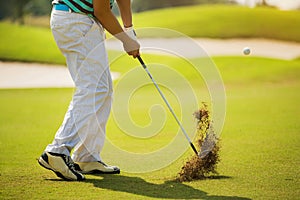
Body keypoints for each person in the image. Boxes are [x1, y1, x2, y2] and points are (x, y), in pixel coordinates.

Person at [38, 0, 140, 181]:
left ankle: (87, 157)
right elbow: (101, 10)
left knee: (104, 90)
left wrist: (129, 29)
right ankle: (58, 150)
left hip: (82, 21)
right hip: (76, 20)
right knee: (93, 88)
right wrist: (126, 41)